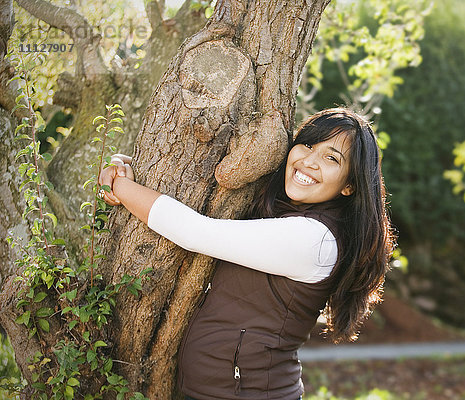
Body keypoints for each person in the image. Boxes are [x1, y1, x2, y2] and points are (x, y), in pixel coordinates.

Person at [99, 108, 396, 400]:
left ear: (349, 185)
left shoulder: (314, 240)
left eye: (331, 158)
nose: (309, 161)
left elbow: (193, 232)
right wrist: (122, 162)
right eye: (307, 144)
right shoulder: (287, 211)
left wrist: (118, 185)